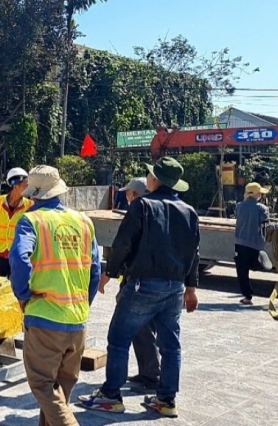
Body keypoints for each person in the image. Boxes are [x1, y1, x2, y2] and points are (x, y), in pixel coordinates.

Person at [79, 157, 200, 418]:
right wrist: (191, 288)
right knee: (171, 345)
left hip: (144, 285)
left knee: (119, 339)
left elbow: (124, 243)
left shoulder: (143, 206)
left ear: (155, 180)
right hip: (175, 288)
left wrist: (108, 273)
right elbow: (193, 253)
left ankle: (111, 395)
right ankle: (166, 400)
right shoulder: (189, 211)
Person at [8, 165, 101, 426]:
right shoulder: (84, 221)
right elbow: (95, 271)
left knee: (43, 386)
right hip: (77, 321)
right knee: (61, 391)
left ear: (33, 194)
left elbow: (18, 259)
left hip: (45, 319)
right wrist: (82, 303)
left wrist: (24, 295)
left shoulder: (31, 221)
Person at [115, 176, 161, 391]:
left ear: (134, 195)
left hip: (139, 283)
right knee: (145, 330)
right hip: (158, 281)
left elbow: (125, 246)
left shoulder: (138, 212)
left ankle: (150, 375)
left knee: (127, 332)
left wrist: (111, 273)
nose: (126, 196)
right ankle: (148, 373)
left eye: (128, 192)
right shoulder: (159, 211)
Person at [234, 182, 270, 306]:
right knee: (253, 263)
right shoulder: (262, 208)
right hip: (256, 244)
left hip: (240, 243)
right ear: (256, 194)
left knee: (242, 270)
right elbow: (265, 225)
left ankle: (247, 296)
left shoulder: (239, 206)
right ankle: (259, 262)